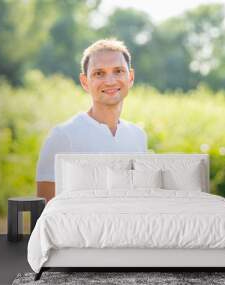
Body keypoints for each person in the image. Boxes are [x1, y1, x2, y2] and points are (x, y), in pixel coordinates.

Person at [36, 38, 148, 202]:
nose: (110, 81)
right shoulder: (63, 136)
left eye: (118, 71)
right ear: (85, 82)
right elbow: (45, 210)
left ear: (130, 77)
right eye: (99, 73)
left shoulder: (138, 136)